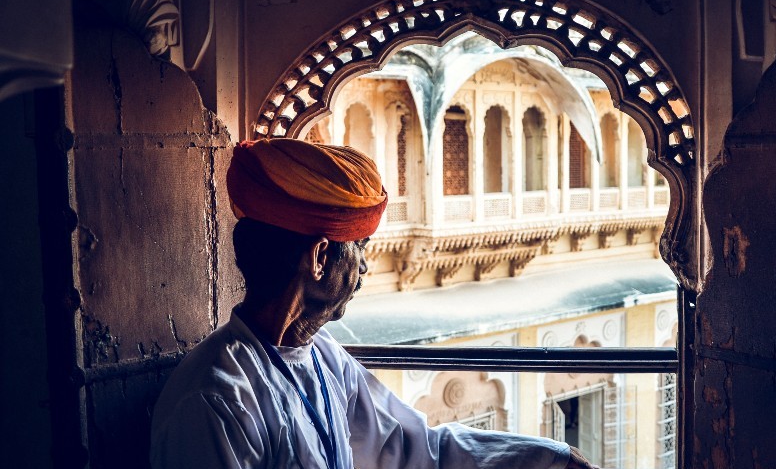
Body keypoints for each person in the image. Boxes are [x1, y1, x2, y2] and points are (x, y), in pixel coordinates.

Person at [150, 138, 606, 469]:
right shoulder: (217, 398)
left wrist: (550, 459)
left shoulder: (323, 357)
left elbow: (414, 449)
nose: (366, 267)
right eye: (361, 247)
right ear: (321, 257)